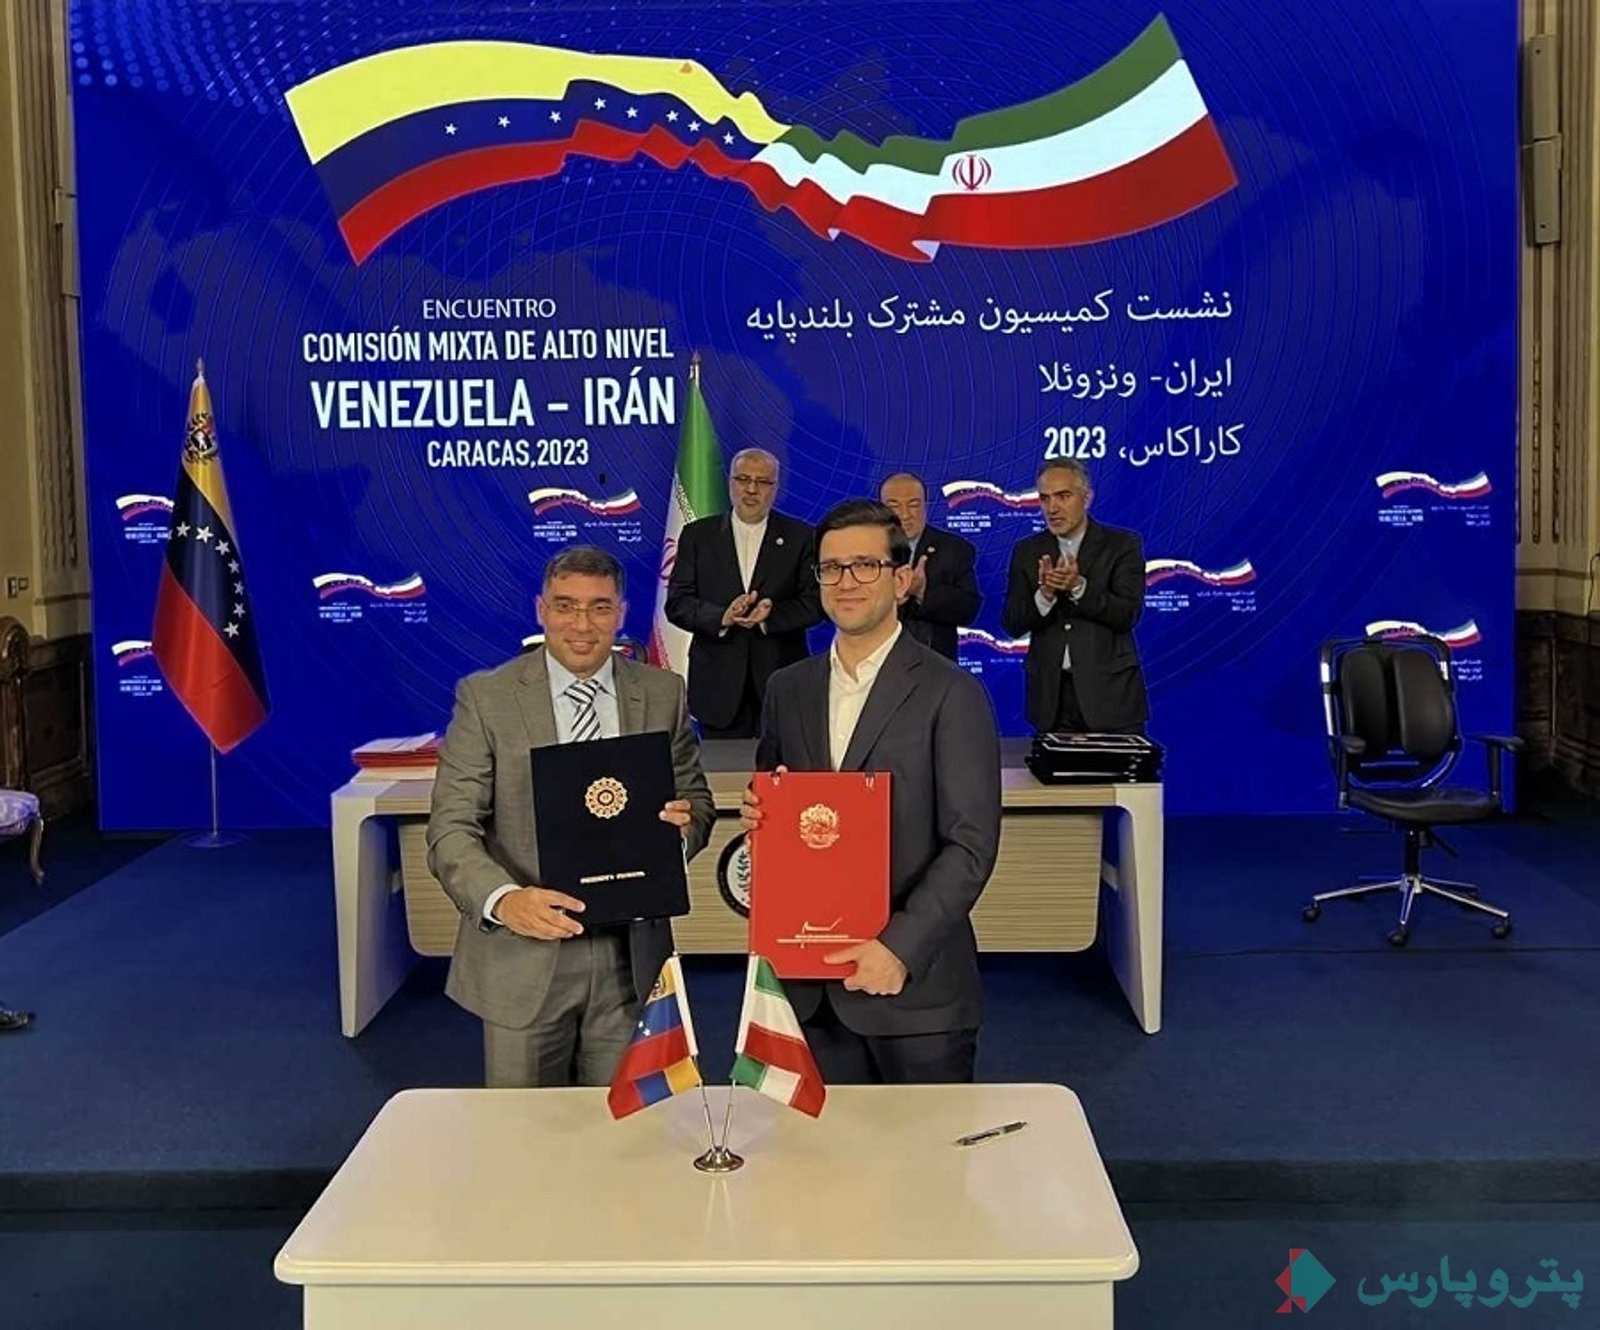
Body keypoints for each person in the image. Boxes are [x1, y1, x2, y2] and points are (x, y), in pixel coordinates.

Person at [427, 545, 716, 1088]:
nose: (582, 625)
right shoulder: (487, 697)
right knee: (525, 1128)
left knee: (625, 1126)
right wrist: (504, 901)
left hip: (630, 960)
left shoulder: (662, 693)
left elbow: (694, 798)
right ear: (541, 610)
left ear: (621, 613)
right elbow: (450, 829)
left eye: (599, 607)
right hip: (524, 955)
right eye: (565, 606)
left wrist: (678, 834)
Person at [740, 499, 1002, 1084]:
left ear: (901, 580)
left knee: (927, 1145)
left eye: (865, 565)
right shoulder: (788, 689)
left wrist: (898, 948)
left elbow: (971, 845)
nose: (846, 581)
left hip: (914, 991)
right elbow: (784, 813)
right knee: (822, 1145)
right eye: (831, 568)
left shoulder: (951, 692)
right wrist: (760, 818)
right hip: (809, 990)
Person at [665, 448, 822, 738]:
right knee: (721, 766)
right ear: (730, 482)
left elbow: (815, 603)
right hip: (717, 689)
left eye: (762, 482)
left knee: (783, 766)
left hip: (781, 683)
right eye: (743, 479)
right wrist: (721, 617)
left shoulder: (802, 536)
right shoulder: (698, 535)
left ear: (776, 487)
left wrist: (770, 616)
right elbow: (677, 604)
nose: (751, 489)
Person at [1002, 459, 1149, 734]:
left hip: (1111, 698)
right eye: (1045, 498)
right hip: (1051, 701)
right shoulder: (1027, 551)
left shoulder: (1122, 545)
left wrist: (1079, 587)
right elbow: (1012, 623)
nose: (1052, 508)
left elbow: (1127, 613)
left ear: (1087, 498)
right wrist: (1045, 595)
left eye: (1063, 496)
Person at [878, 471, 982, 661]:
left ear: (925, 506)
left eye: (913, 505)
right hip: (875, 662)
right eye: (894, 506)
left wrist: (922, 591)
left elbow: (968, 609)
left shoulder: (954, 549)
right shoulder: (867, 549)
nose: (904, 515)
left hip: (934, 665)